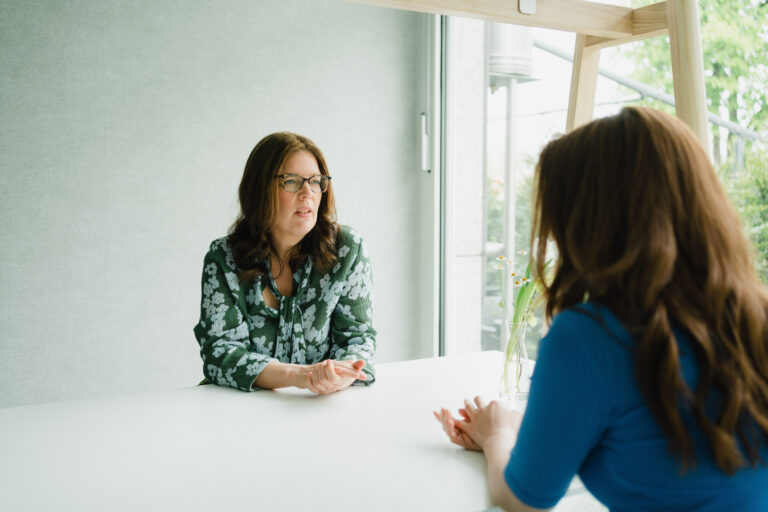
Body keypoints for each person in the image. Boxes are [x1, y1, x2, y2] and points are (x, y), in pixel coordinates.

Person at [435, 106, 768, 510]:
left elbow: (524, 500)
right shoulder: (753, 315)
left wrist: (495, 437)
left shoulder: (588, 338)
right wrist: (519, 425)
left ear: (590, 224)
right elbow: (648, 438)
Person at [193, 131, 375, 394]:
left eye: (315, 182)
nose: (307, 193)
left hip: (319, 405)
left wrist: (340, 375)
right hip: (236, 406)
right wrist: (300, 376)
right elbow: (221, 354)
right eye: (291, 182)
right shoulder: (223, 257)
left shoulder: (347, 248)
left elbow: (358, 339)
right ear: (259, 190)